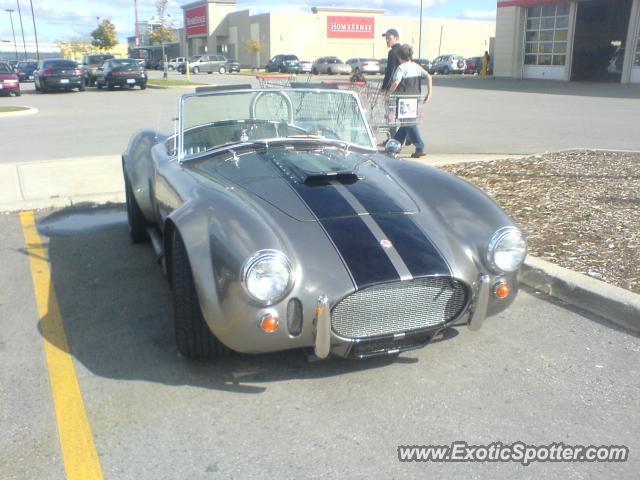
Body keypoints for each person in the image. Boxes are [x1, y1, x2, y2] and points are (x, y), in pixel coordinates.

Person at [387, 44, 432, 158]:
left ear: (399, 57)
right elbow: (429, 76)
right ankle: (395, 145)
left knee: (410, 124)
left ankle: (420, 146)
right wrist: (429, 92)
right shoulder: (416, 67)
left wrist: (388, 94)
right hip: (414, 98)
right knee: (406, 123)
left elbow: (396, 82)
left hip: (403, 99)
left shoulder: (401, 68)